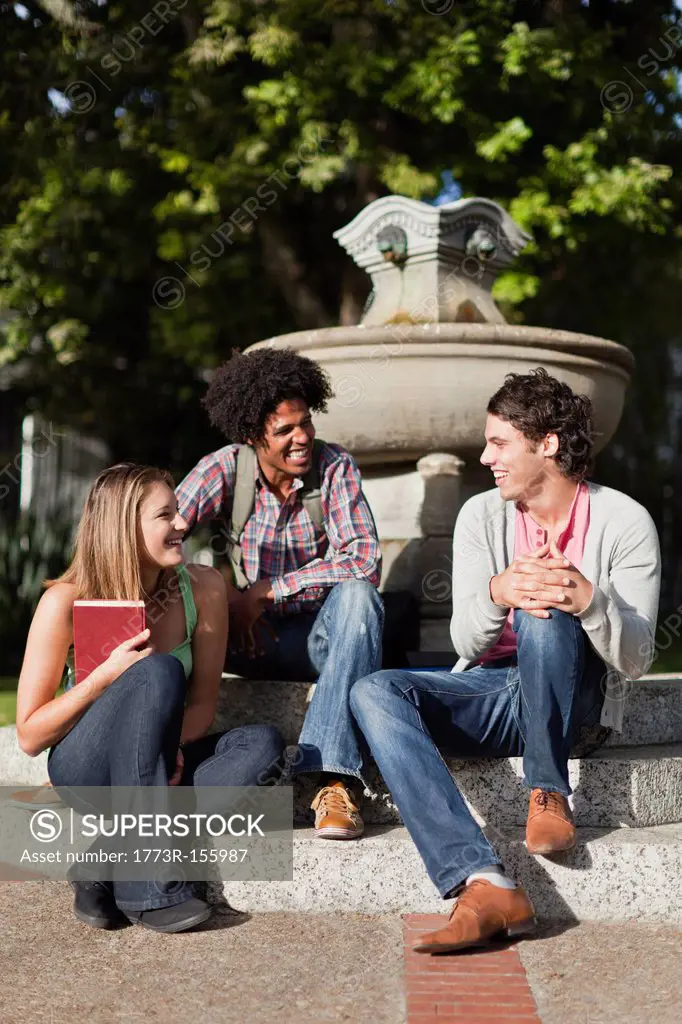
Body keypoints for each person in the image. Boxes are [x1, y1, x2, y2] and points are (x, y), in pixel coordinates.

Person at [350, 368, 661, 953]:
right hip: (499, 694)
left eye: (500, 442)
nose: (487, 456)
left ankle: (548, 791)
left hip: (580, 703)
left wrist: (587, 600)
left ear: (546, 444)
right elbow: (468, 643)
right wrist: (499, 590)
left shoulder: (625, 521)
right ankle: (483, 881)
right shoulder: (481, 516)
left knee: (546, 610)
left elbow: (638, 657)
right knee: (373, 692)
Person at [16, 463, 284, 932]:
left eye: (179, 512)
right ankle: (149, 889)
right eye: (166, 515)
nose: (183, 523)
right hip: (88, 768)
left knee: (262, 746)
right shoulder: (64, 601)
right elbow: (30, 735)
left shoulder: (205, 588)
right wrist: (103, 678)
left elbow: (201, 704)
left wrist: (171, 748)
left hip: (160, 759)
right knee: (155, 669)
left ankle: (101, 862)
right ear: (126, 530)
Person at [176, 347, 383, 840]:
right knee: (174, 600)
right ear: (253, 437)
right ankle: (158, 755)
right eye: (285, 430)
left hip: (317, 641)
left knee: (359, 597)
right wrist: (222, 597)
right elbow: (164, 534)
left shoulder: (333, 467)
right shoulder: (225, 468)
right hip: (246, 640)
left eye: (305, 423)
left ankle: (333, 781)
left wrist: (269, 590)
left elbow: (365, 558)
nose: (302, 438)